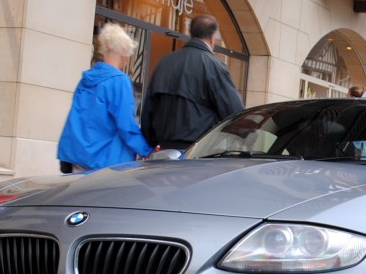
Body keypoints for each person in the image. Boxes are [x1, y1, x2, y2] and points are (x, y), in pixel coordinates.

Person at [57, 23, 156, 171]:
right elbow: (126, 125)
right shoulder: (119, 81)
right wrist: (146, 150)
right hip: (104, 159)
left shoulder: (87, 78)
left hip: (78, 155)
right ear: (123, 53)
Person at [143, 14, 245, 151]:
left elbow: (148, 110)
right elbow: (235, 112)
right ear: (212, 37)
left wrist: (151, 141)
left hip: (164, 151)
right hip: (196, 153)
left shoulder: (164, 62)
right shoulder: (214, 66)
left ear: (190, 33)